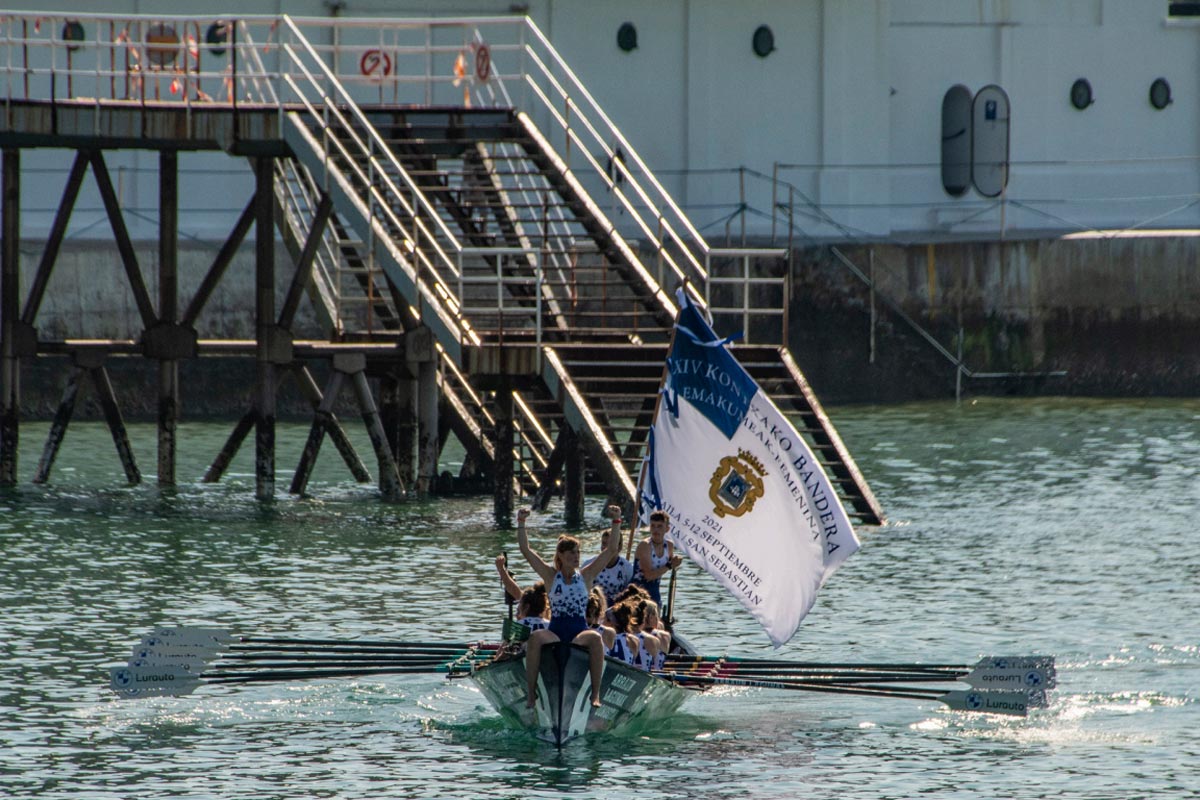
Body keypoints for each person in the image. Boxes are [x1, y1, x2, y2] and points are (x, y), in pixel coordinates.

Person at [517, 505, 622, 709]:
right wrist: (521, 523)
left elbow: (611, 550)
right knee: (535, 638)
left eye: (578, 552)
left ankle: (595, 694)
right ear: (562, 555)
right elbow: (526, 551)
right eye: (572, 553)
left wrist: (616, 521)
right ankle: (531, 694)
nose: (577, 556)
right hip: (555, 630)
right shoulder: (550, 576)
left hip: (578, 632)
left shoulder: (586, 575)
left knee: (596, 638)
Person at [631, 509, 683, 606]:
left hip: (655, 591)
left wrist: (677, 561)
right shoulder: (645, 545)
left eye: (659, 526)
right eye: (653, 526)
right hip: (637, 592)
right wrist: (669, 565)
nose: (656, 530)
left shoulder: (669, 545)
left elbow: (672, 564)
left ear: (667, 529)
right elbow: (648, 576)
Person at [583, 526, 634, 604]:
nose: (606, 549)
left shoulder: (627, 568)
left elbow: (631, 595)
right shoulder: (589, 565)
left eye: (610, 545)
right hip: (595, 607)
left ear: (619, 547)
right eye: (603, 544)